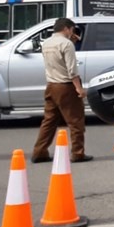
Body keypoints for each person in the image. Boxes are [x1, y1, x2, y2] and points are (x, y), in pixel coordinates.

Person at [31, 18, 92, 163]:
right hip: (66, 86)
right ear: (67, 28)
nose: (73, 33)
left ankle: (39, 152)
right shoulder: (66, 44)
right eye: (72, 30)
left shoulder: (47, 43)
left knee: (49, 121)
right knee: (76, 121)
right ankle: (78, 153)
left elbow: (56, 63)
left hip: (51, 85)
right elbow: (72, 70)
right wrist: (79, 89)